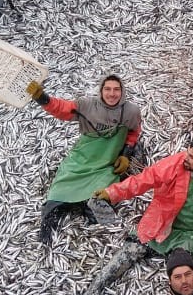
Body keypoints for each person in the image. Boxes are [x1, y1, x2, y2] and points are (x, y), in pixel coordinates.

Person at [86, 137, 193, 295]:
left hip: (191, 234)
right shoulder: (176, 164)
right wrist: (112, 193)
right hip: (162, 222)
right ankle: (94, 289)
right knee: (130, 251)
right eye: (187, 153)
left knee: (181, 267)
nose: (185, 158)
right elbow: (145, 179)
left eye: (191, 157)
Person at [26, 75, 142, 245]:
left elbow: (133, 132)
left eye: (116, 89)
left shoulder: (131, 111)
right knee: (61, 184)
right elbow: (62, 109)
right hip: (83, 157)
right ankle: (50, 221)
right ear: (101, 91)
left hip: (106, 162)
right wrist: (41, 98)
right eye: (107, 89)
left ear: (122, 91)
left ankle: (89, 210)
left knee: (105, 189)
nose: (112, 94)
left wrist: (125, 154)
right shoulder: (87, 105)